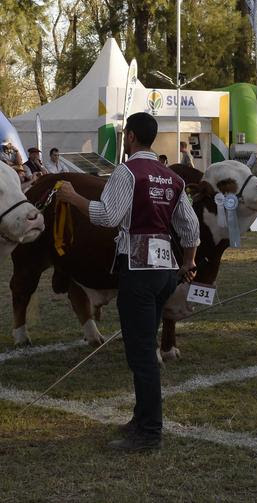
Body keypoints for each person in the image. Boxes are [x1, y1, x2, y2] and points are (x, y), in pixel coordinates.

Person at [53, 112, 199, 453]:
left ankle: (149, 432)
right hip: (165, 269)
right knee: (143, 348)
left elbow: (108, 216)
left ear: (130, 137)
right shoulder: (171, 177)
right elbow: (190, 227)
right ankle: (142, 419)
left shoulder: (127, 171)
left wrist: (73, 197)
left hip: (138, 268)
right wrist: (190, 261)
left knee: (142, 354)